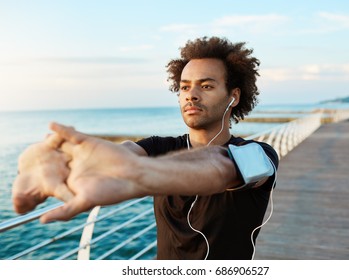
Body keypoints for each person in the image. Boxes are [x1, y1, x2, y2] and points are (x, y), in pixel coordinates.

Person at [12, 36, 279, 260]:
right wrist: (68, 162)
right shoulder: (157, 147)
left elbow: (221, 166)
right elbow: (124, 152)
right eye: (184, 87)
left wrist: (140, 174)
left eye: (206, 86)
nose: (191, 94)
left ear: (234, 96)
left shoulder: (260, 154)